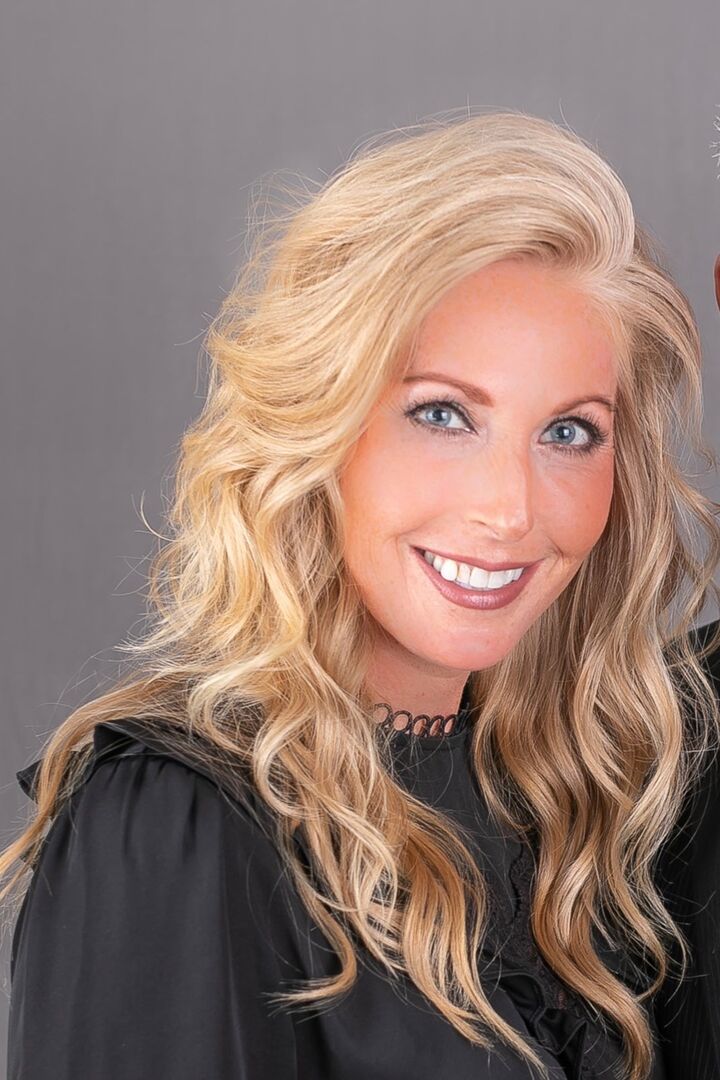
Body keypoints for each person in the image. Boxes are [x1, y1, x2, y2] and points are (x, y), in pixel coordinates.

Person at [3, 110, 720, 1080]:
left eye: (568, 433)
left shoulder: (572, 818)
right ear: (321, 424)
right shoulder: (178, 824)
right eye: (443, 414)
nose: (509, 509)